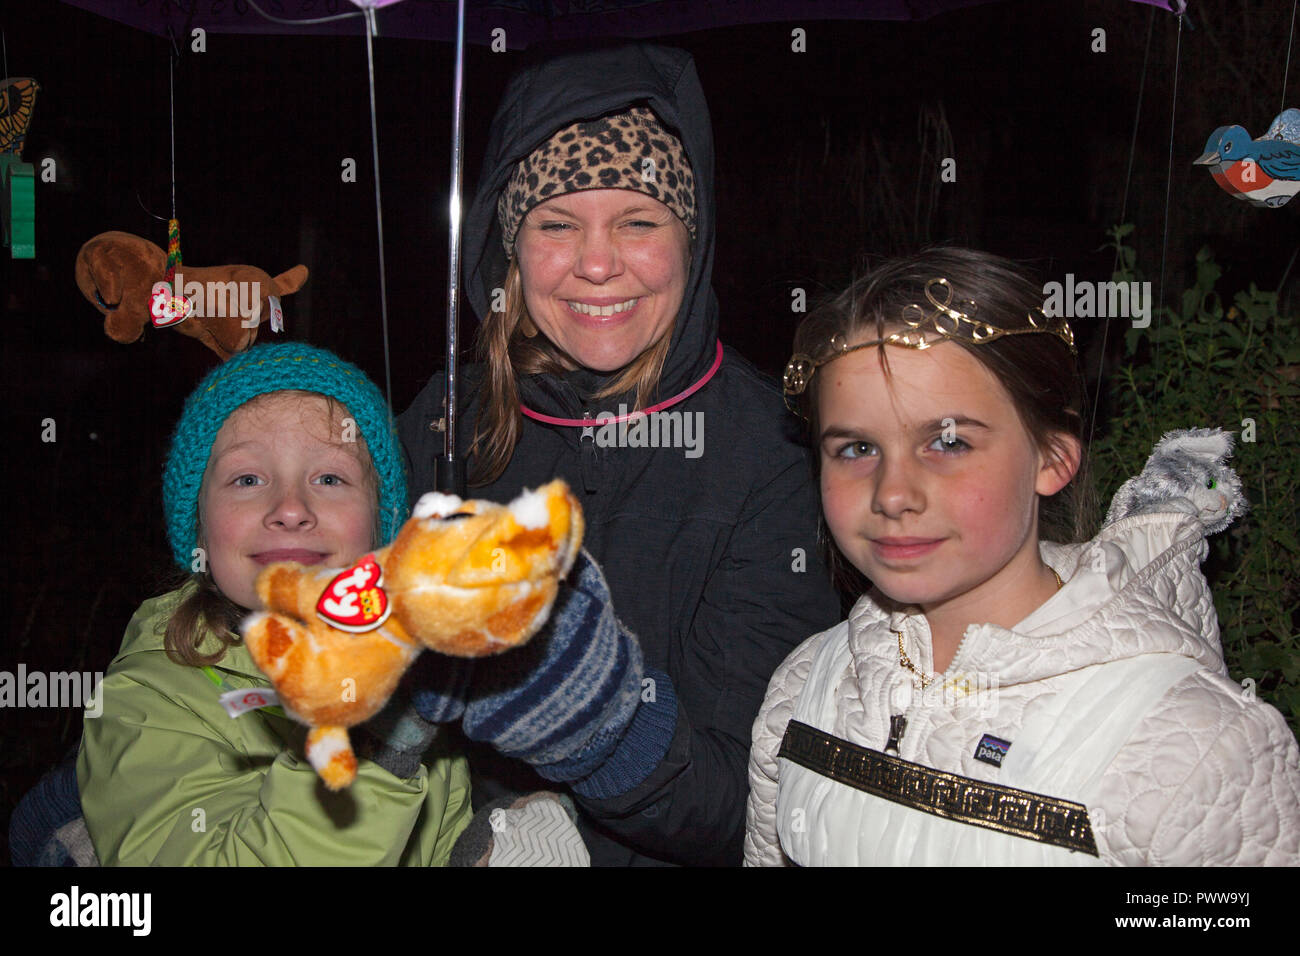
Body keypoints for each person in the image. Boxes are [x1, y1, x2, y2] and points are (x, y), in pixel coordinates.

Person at [398, 43, 841, 866]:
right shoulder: (445, 419)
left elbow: (753, 803)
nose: (597, 264)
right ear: (510, 249)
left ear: (691, 239)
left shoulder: (771, 450)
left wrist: (595, 722)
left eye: (638, 221)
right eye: (556, 225)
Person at [744, 247, 1300, 866]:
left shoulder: (1197, 751)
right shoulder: (810, 684)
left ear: (1052, 459)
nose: (893, 494)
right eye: (856, 448)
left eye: (948, 442)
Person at [77, 342, 472, 865]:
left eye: (329, 478)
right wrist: (372, 748)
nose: (290, 508)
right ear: (200, 527)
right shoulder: (149, 702)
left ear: (382, 525)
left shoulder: (418, 685)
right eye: (248, 479)